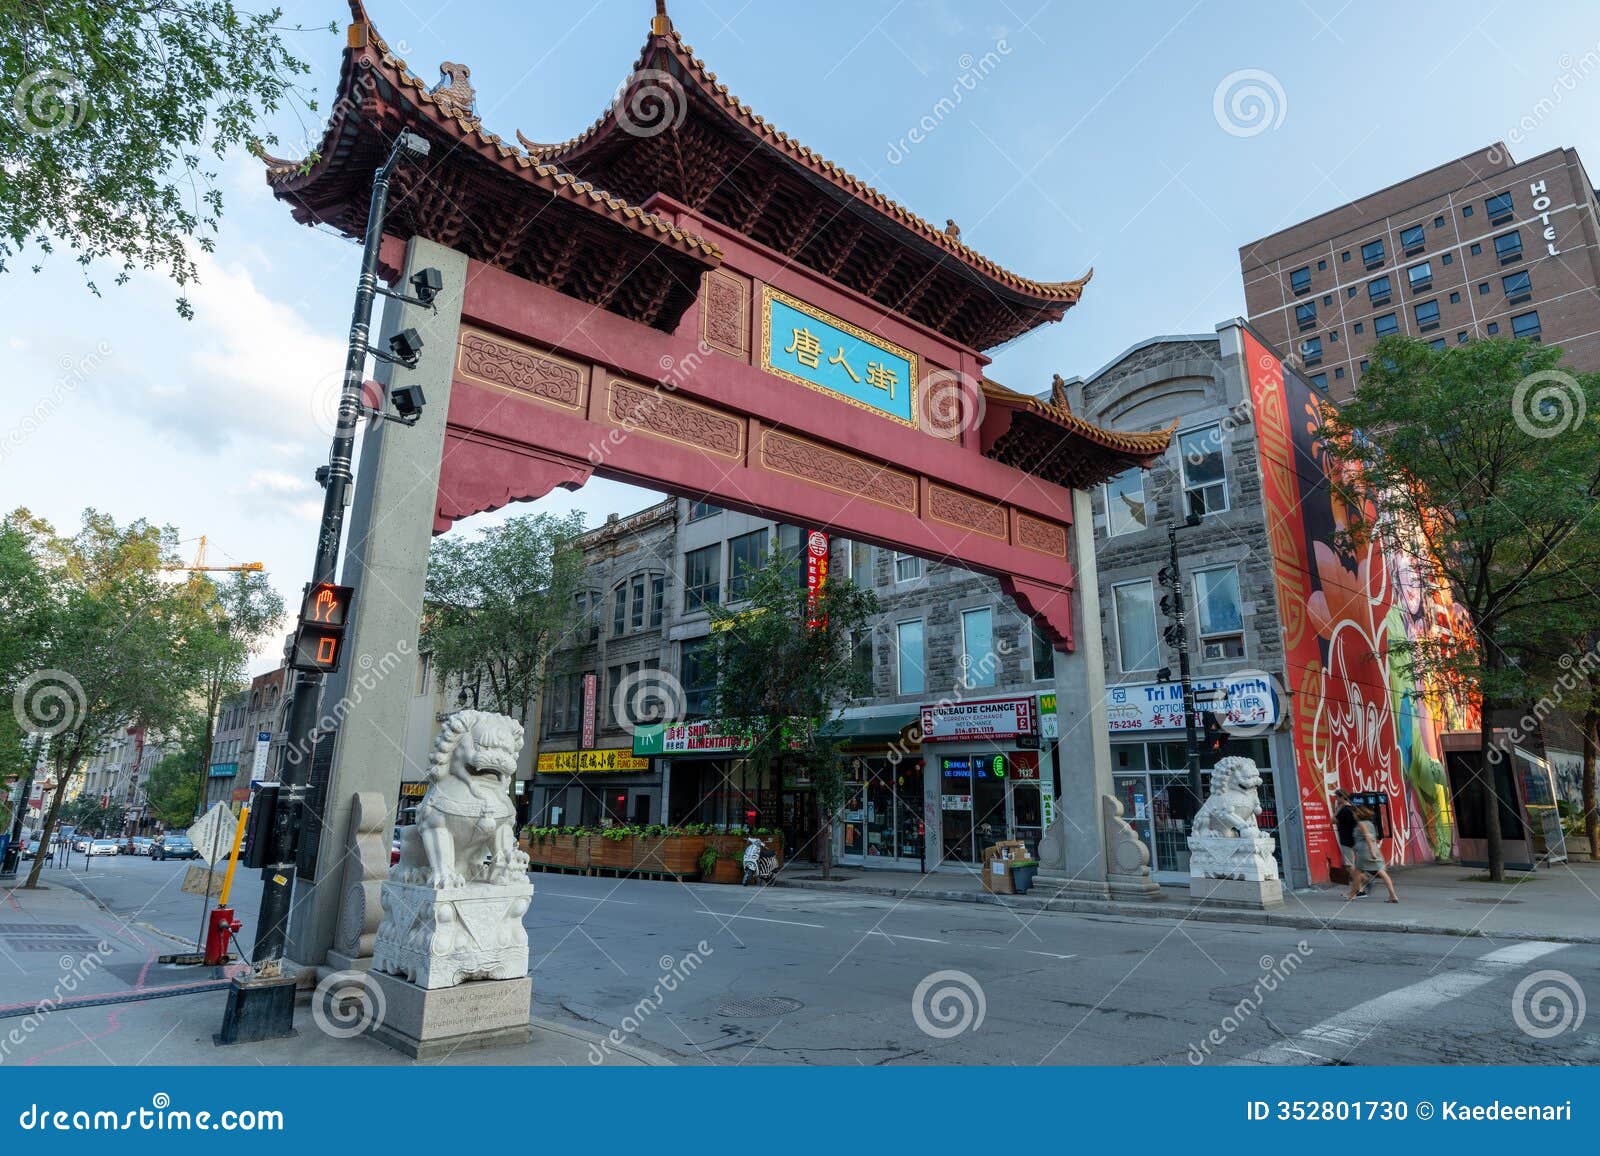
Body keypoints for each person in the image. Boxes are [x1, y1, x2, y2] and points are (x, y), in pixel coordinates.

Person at [1353, 805, 1398, 903]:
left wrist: (1371, 852)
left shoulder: (1361, 824)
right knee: (1382, 873)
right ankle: (1393, 895)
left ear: (1358, 813)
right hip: (1374, 849)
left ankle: (1352, 895)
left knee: (1357, 872)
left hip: (1365, 851)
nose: (1353, 814)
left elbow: (1368, 838)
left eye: (1354, 812)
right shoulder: (1370, 823)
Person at [1333, 789, 1369, 899]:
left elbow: (1333, 820)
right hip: (1353, 840)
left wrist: (1338, 809)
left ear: (1342, 798)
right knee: (1352, 865)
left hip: (1346, 841)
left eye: (1337, 797)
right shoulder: (1353, 808)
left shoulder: (1344, 810)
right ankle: (1363, 882)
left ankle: (1361, 887)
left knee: (1349, 866)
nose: (1336, 799)